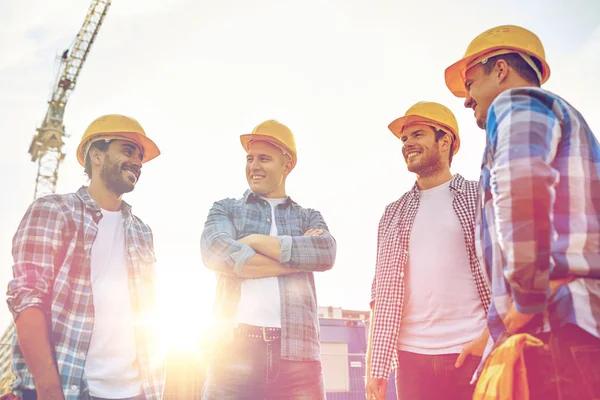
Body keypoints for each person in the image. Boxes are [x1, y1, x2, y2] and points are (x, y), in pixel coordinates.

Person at [445, 24, 600, 398]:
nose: (467, 100)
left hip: (554, 331)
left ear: (500, 70)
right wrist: (492, 334)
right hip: (573, 329)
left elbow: (524, 188)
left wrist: (527, 301)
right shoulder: (564, 120)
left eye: (470, 84)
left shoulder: (516, 104)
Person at [7, 115, 165, 400]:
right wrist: (49, 389)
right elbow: (27, 299)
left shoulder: (142, 231)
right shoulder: (53, 211)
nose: (137, 162)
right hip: (66, 388)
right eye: (128, 150)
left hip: (134, 392)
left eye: (140, 157)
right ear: (96, 155)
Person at [200, 119, 336, 399]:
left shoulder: (308, 216)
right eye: (250, 158)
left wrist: (251, 243)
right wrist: (296, 260)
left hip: (298, 356)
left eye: (264, 158)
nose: (254, 166)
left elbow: (325, 252)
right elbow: (215, 251)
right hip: (232, 352)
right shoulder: (226, 209)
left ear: (287, 165)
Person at [366, 102, 491, 400]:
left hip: (474, 353)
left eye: (417, 134)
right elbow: (379, 295)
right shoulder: (392, 213)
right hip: (412, 362)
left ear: (444, 140)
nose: (407, 143)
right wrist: (376, 364)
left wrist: (489, 337)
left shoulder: (482, 196)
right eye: (404, 139)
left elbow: (510, 270)